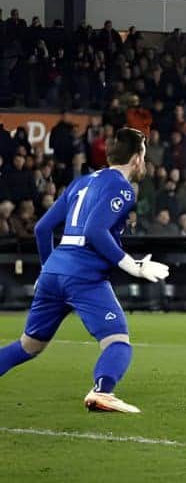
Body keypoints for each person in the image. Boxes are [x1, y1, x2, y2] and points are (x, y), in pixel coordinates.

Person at [0, 128, 169, 413]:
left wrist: (48, 268)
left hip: (54, 271)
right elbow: (95, 230)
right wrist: (134, 265)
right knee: (117, 342)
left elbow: (42, 228)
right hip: (84, 275)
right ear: (137, 159)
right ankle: (102, 391)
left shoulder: (80, 183)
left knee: (28, 346)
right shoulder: (122, 188)